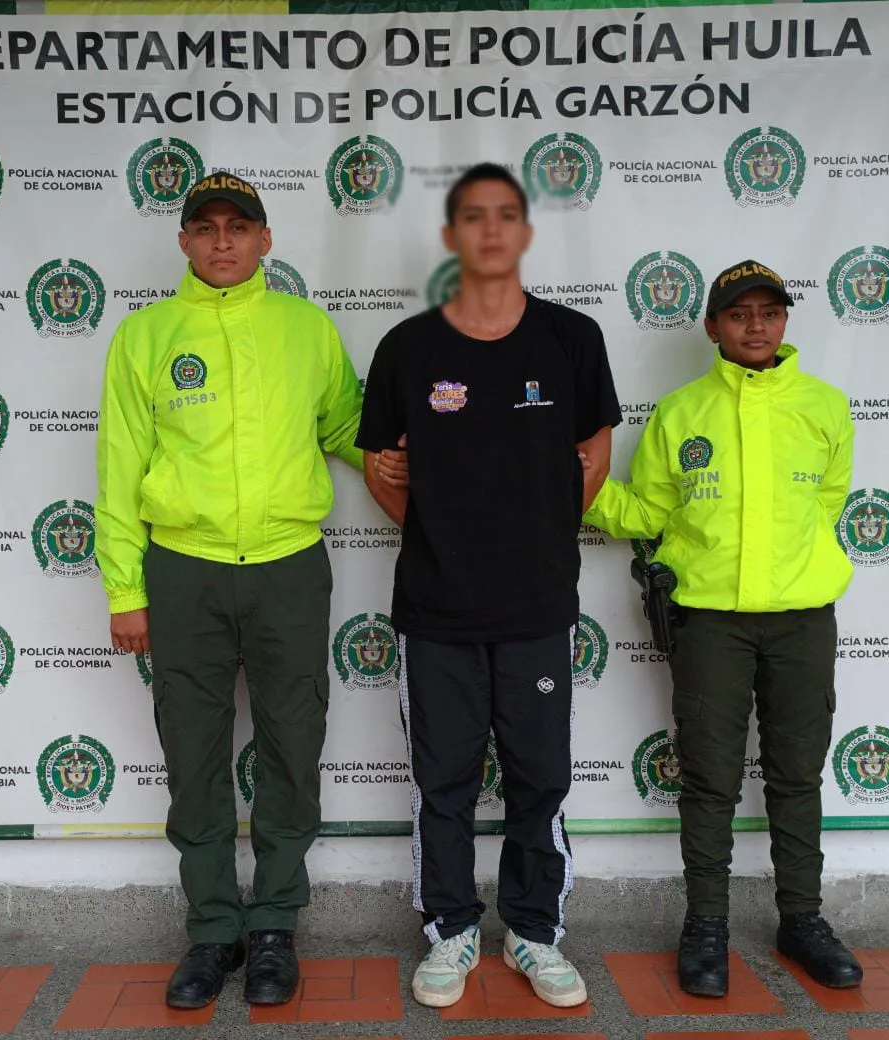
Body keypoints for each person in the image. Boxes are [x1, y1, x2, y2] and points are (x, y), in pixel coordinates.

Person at [95, 171, 404, 1010]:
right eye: (207, 227)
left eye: (241, 226)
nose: (223, 241)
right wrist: (126, 587)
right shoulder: (145, 336)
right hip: (183, 569)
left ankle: (273, 926)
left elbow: (344, 423)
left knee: (290, 747)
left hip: (287, 566)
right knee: (192, 757)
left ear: (268, 240)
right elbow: (120, 471)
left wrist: (393, 459)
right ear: (185, 241)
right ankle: (210, 931)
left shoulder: (305, 328)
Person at [358, 163, 621, 1010]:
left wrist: (531, 539)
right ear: (451, 237)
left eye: (507, 215)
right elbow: (380, 468)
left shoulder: (572, 339)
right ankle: (450, 930)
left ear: (526, 232)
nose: (492, 230)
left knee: (540, 778)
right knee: (445, 781)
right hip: (436, 611)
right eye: (474, 216)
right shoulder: (407, 348)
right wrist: (452, 541)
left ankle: (536, 933)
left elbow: (594, 457)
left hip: (538, 607)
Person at [585, 260, 862, 997]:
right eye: (740, 315)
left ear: (785, 321)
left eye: (770, 312)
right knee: (708, 780)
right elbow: (647, 513)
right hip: (709, 622)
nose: (756, 326)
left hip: (803, 619)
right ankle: (705, 924)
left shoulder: (826, 407)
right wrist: (575, 488)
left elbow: (828, 503)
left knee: (797, 774)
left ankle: (801, 919)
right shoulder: (681, 413)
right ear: (712, 326)